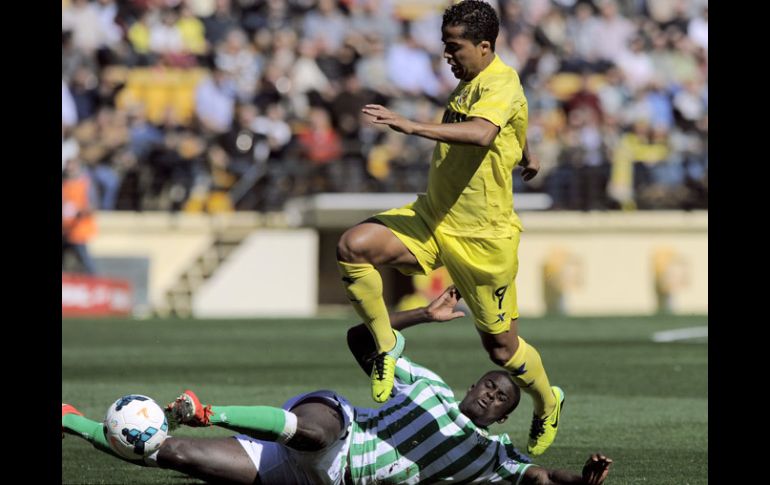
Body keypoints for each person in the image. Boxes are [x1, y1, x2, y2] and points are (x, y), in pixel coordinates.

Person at [62, 287, 613, 484]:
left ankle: (67, 418)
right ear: (472, 384)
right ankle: (208, 412)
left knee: (169, 452)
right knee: (322, 429)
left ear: (503, 420)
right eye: (491, 385)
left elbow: (538, 475)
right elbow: (360, 338)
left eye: (502, 400)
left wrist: (578, 479)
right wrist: (423, 314)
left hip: (322, 478)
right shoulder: (425, 385)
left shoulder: (493, 457)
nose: (492, 395)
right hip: (334, 427)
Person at [335, 0, 559, 456]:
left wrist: (409, 125)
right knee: (353, 245)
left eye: (454, 47)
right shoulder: (474, 82)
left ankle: (547, 401)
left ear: (484, 45)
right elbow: (511, 121)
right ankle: (385, 347)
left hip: (484, 239)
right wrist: (526, 151)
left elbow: (482, 132)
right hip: (435, 216)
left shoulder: (501, 81)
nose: (447, 56)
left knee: (501, 351)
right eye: (444, 46)